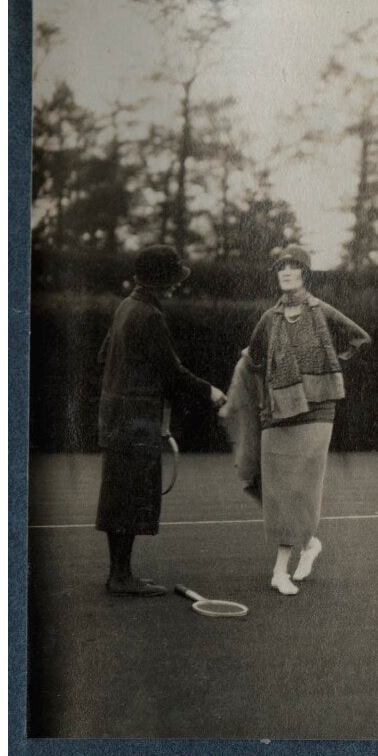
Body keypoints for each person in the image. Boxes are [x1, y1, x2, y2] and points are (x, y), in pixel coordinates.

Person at [95, 245, 227, 597]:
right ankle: (121, 577)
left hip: (115, 417)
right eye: (172, 279)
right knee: (132, 497)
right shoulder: (150, 316)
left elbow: (103, 356)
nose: (175, 286)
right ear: (161, 281)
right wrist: (210, 391)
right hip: (136, 421)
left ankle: (119, 573)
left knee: (118, 496)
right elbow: (171, 371)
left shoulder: (126, 306)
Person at [241, 245, 372, 595]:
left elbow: (360, 339)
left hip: (318, 412)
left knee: (299, 488)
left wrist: (332, 366)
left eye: (293, 267)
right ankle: (309, 542)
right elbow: (253, 358)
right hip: (278, 412)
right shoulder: (269, 319)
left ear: (304, 274)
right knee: (277, 489)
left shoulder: (322, 311)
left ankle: (279, 571)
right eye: (280, 267)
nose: (285, 272)